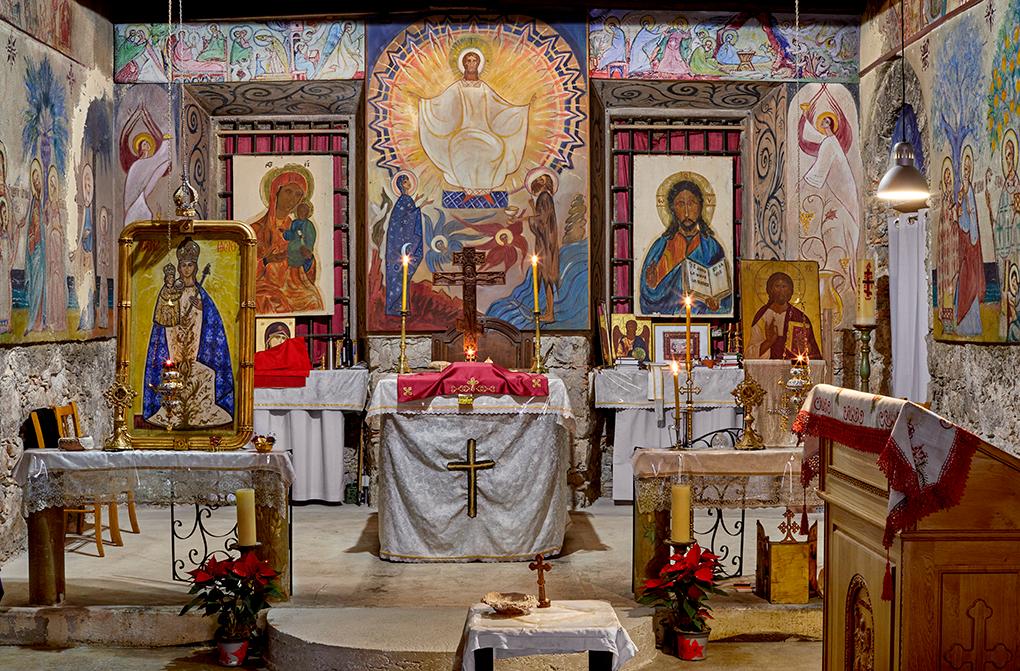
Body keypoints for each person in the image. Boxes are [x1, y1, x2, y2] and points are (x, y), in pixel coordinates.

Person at [143, 237, 234, 429]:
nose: (186, 269)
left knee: (199, 371)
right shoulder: (170, 291)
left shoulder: (201, 294)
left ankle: (196, 413)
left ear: (195, 267)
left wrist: (202, 307)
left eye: (190, 265)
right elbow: (163, 314)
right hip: (173, 336)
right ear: (178, 267)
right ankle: (170, 414)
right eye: (183, 265)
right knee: (172, 370)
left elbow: (212, 320)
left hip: (195, 340)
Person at [418, 49, 531, 193]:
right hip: (462, 133)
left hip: (485, 132)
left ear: (479, 64)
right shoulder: (457, 87)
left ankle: (484, 189)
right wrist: (423, 103)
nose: (471, 64)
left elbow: (500, 109)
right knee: (462, 149)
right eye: (469, 60)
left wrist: (521, 110)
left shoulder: (484, 88)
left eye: (474, 60)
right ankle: (469, 190)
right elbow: (441, 107)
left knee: (497, 148)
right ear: (464, 64)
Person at [639, 179, 730, 315]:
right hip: (666, 323)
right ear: (672, 209)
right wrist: (651, 286)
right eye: (680, 204)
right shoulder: (661, 246)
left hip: (702, 324)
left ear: (700, 206)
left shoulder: (712, 248)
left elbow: (725, 298)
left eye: (692, 203)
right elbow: (647, 299)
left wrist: (716, 304)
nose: (687, 212)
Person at [252, 170, 324, 313]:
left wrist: (308, 259)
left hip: (295, 288)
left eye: (298, 195)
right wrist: (267, 260)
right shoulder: (256, 229)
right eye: (288, 191)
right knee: (269, 304)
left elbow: (307, 273)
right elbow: (246, 270)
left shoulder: (300, 227)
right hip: (266, 287)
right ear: (275, 193)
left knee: (313, 301)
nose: (293, 198)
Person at [747, 271, 823, 359]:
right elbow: (749, 354)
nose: (781, 291)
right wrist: (769, 342)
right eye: (777, 286)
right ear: (770, 289)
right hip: (768, 367)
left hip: (793, 368)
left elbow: (813, 353)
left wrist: (806, 347)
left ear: (791, 291)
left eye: (784, 287)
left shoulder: (799, 317)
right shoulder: (762, 316)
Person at [384, 172, 424, 316]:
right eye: (406, 182)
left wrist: (416, 207)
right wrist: (419, 208)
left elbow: (405, 219)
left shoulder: (406, 200)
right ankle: (395, 306)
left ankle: (400, 306)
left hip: (400, 244)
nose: (409, 184)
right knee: (400, 276)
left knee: (403, 276)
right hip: (399, 245)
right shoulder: (404, 200)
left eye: (408, 181)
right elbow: (403, 221)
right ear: (401, 184)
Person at [955, 149, 984, 336]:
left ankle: (973, 325)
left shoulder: (970, 191)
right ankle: (963, 323)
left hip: (972, 245)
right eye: (964, 169)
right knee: (964, 283)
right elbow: (960, 219)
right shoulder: (961, 192)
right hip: (964, 244)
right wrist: (959, 207)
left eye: (968, 169)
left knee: (971, 282)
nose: (966, 172)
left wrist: (965, 200)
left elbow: (972, 219)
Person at [527, 172, 559, 322]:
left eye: (541, 179)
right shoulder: (545, 198)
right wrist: (533, 210)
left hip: (546, 244)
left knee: (547, 278)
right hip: (544, 242)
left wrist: (530, 219)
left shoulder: (544, 197)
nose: (538, 181)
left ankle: (550, 313)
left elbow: (542, 221)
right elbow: (541, 218)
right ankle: (545, 310)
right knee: (543, 278)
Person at [44, 165, 67, 332]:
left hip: (57, 243)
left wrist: (57, 229)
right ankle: (52, 318)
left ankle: (59, 319)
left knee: (58, 282)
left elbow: (61, 227)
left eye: (54, 184)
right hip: (51, 245)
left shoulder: (59, 206)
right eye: (50, 184)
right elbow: (46, 224)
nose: (53, 187)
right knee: (52, 282)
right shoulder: (48, 206)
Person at [23, 159, 45, 334]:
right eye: (34, 179)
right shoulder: (34, 203)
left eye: (38, 179)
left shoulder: (41, 203)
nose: (36, 182)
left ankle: (37, 323)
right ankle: (35, 321)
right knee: (34, 288)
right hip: (34, 251)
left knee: (39, 286)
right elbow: (33, 226)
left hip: (40, 252)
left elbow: (40, 227)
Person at [936, 159, 959, 323]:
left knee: (954, 275)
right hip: (945, 244)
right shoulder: (944, 198)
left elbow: (956, 219)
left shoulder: (955, 196)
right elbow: (942, 223)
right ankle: (945, 314)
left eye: (949, 175)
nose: (948, 178)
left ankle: (953, 310)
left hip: (953, 241)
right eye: (946, 175)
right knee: (945, 277)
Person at [283, 202, 316, 273]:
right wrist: (285, 233)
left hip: (302, 248)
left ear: (307, 213)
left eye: (304, 211)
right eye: (299, 211)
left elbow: (311, 237)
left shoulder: (308, 225)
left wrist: (307, 248)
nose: (301, 213)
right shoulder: (294, 222)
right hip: (292, 247)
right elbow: (291, 234)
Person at [0, 199, 13, 335]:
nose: (4, 216)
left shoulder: (5, 234)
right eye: (2, 213)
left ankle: (5, 323)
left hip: (4, 271)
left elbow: (9, 250)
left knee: (5, 294)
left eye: (5, 213)